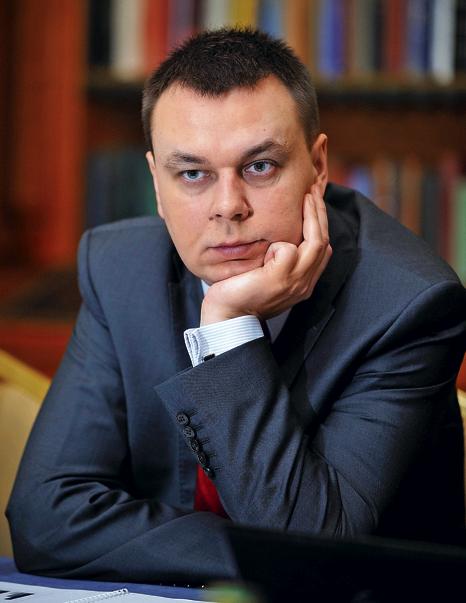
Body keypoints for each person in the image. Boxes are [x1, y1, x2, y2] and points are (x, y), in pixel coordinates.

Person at [7, 28, 466, 585]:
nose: (228, 207)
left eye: (260, 166)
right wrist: (250, 551)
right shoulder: (120, 270)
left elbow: (311, 543)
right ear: (156, 182)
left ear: (318, 167)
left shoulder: (407, 305)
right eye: (192, 174)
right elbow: (44, 518)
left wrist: (225, 327)